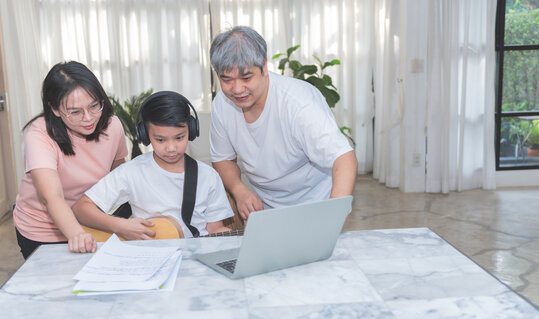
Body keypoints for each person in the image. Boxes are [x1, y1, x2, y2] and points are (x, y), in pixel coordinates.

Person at [209, 26, 358, 220]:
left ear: (264, 67)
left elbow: (344, 157)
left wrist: (335, 212)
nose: (237, 89)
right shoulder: (222, 104)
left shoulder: (298, 103)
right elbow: (222, 158)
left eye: (246, 78)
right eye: (226, 79)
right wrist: (239, 190)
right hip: (267, 210)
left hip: (316, 204)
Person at [72, 91, 233, 239]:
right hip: (148, 259)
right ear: (145, 135)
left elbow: (214, 229)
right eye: (160, 140)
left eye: (179, 137)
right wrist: (121, 226)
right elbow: (81, 208)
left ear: (191, 130)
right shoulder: (132, 172)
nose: (171, 148)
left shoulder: (208, 177)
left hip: (195, 261)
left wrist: (229, 238)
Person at [13, 61, 128, 259]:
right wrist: (77, 234)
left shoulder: (112, 125)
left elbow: (118, 176)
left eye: (94, 106)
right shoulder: (39, 135)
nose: (88, 118)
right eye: (75, 112)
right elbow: (52, 197)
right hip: (43, 229)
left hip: (89, 220)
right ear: (55, 109)